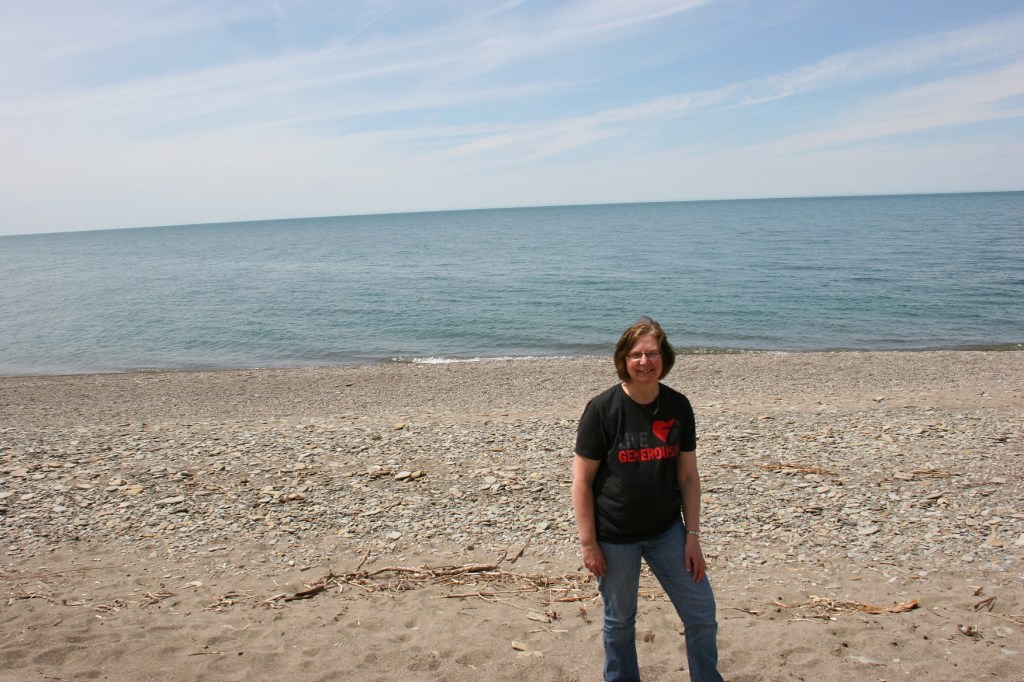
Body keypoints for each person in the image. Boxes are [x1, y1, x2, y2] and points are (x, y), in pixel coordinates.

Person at [572, 317, 723, 682]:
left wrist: (693, 536)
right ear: (624, 359)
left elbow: (688, 476)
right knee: (620, 621)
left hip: (667, 531)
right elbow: (581, 481)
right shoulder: (602, 409)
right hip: (615, 536)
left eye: (652, 353)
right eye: (636, 354)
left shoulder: (678, 406)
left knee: (702, 612)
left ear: (664, 357)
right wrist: (589, 543)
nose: (645, 361)